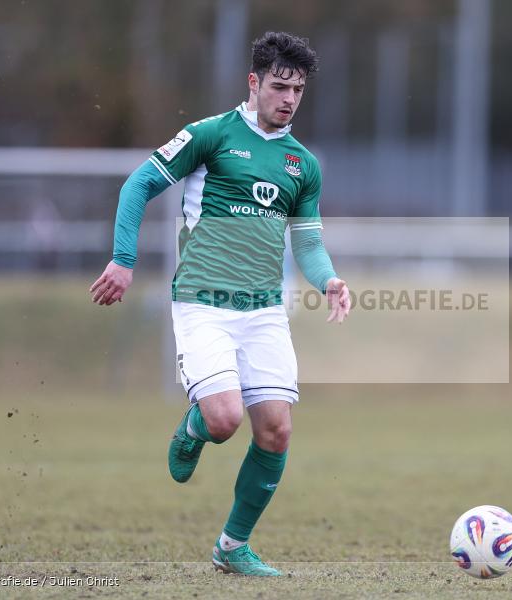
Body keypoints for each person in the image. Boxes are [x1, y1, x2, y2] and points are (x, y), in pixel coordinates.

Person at [89, 31, 351, 577]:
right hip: (202, 303)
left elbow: (307, 242)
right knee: (225, 419)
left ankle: (232, 547)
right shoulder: (210, 135)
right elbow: (137, 186)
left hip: (263, 310)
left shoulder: (303, 164)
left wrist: (329, 279)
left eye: (298, 90)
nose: (289, 99)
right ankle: (194, 428)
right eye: (279, 86)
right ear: (254, 82)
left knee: (276, 430)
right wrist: (123, 259)